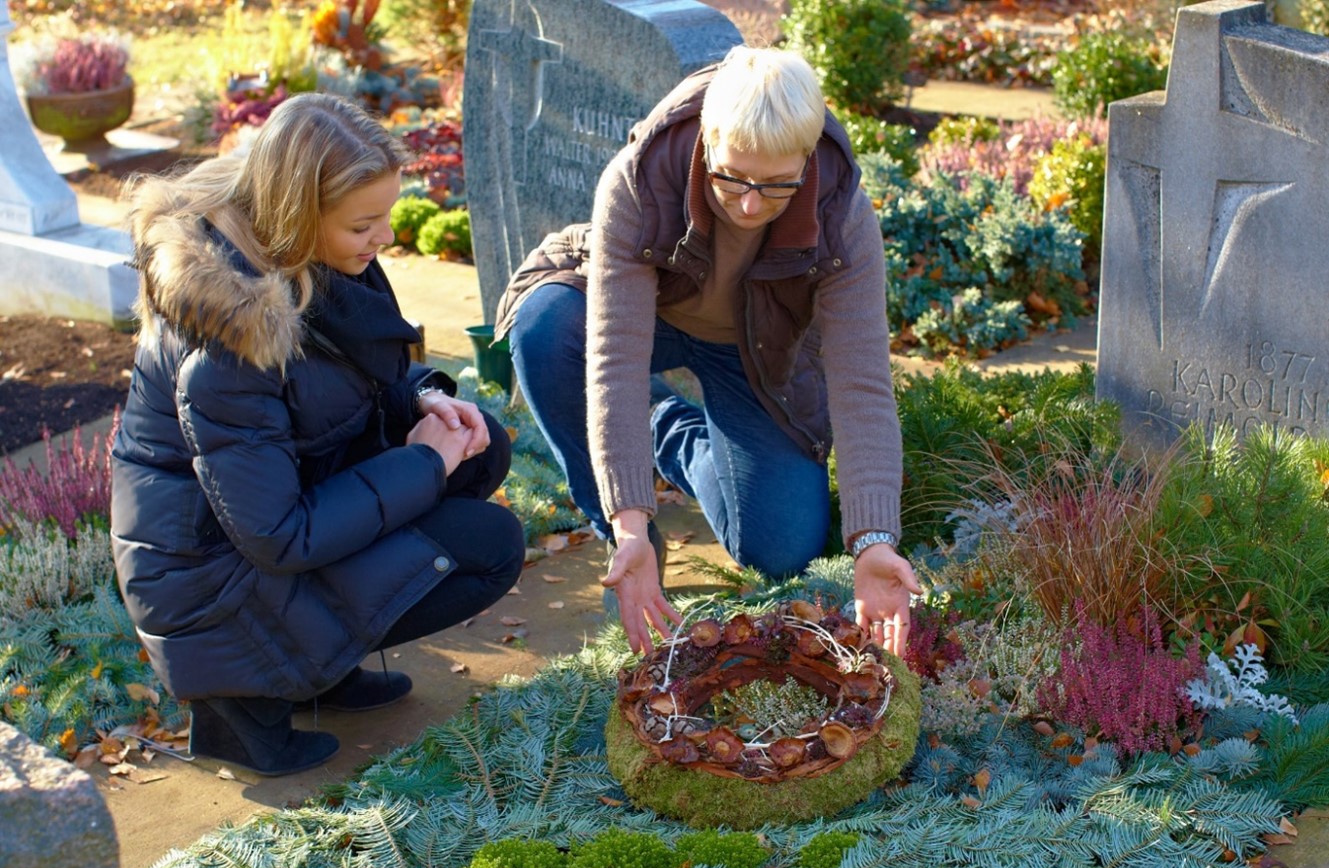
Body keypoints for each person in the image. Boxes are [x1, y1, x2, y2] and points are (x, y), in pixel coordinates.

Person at [110, 93, 525, 777]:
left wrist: (422, 400)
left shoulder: (314, 252)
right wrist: (421, 460)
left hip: (267, 532)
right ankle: (246, 697)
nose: (386, 237)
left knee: (482, 455)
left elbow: (336, 385)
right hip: (214, 588)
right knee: (487, 546)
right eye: (367, 223)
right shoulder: (229, 346)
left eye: (387, 214)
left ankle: (320, 665)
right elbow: (279, 535)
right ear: (299, 214)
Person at [496, 45, 919, 657]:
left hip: (754, 348)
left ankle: (667, 427)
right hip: (648, 314)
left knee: (780, 546)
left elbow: (861, 382)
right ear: (705, 139)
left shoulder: (842, 212)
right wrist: (629, 523)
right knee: (546, 328)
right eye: (732, 177)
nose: (750, 206)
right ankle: (630, 537)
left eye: (777, 186)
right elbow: (614, 357)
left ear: (806, 158)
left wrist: (874, 538)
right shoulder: (640, 179)